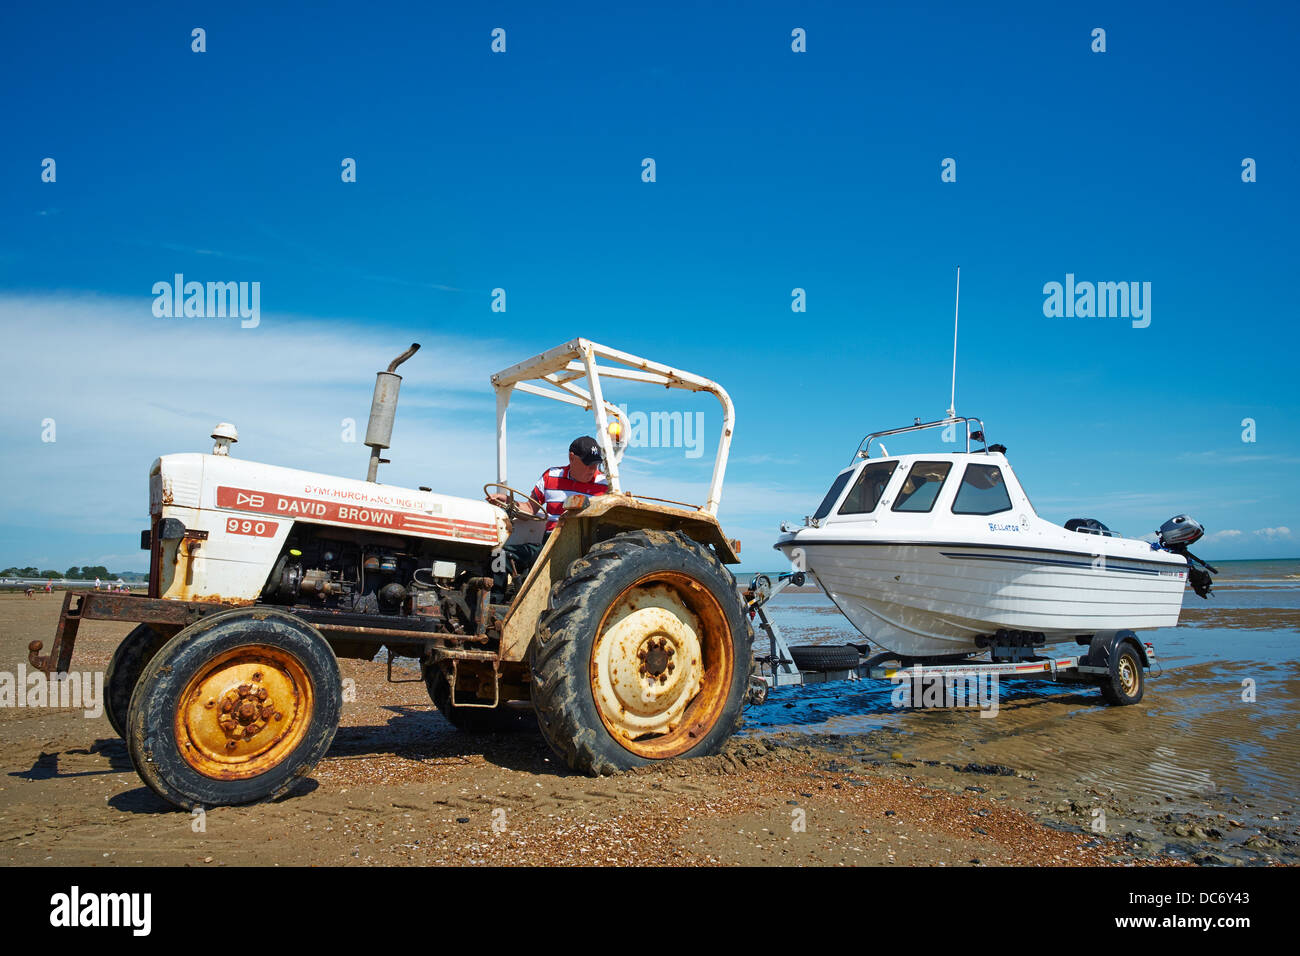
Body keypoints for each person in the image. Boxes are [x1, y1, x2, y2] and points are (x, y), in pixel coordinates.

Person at [488, 436, 610, 597]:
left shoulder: (605, 485)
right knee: (499, 556)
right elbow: (531, 508)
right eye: (588, 464)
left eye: (596, 463)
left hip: (581, 545)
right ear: (572, 458)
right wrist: (510, 502)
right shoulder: (551, 476)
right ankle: (495, 602)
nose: (593, 469)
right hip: (549, 543)